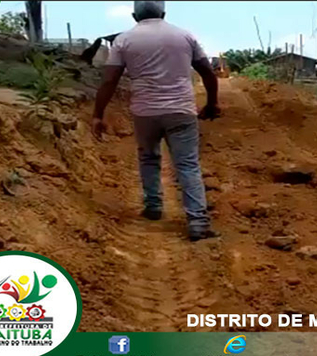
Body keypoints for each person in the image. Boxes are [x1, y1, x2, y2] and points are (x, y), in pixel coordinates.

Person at [91, 1, 220, 242]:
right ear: (163, 13)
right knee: (187, 164)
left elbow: (109, 81)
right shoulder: (184, 36)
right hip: (181, 110)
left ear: (133, 15)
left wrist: (98, 114)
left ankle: (153, 206)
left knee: (149, 157)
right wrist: (212, 103)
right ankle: (198, 222)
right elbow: (208, 73)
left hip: (145, 112)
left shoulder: (124, 40)